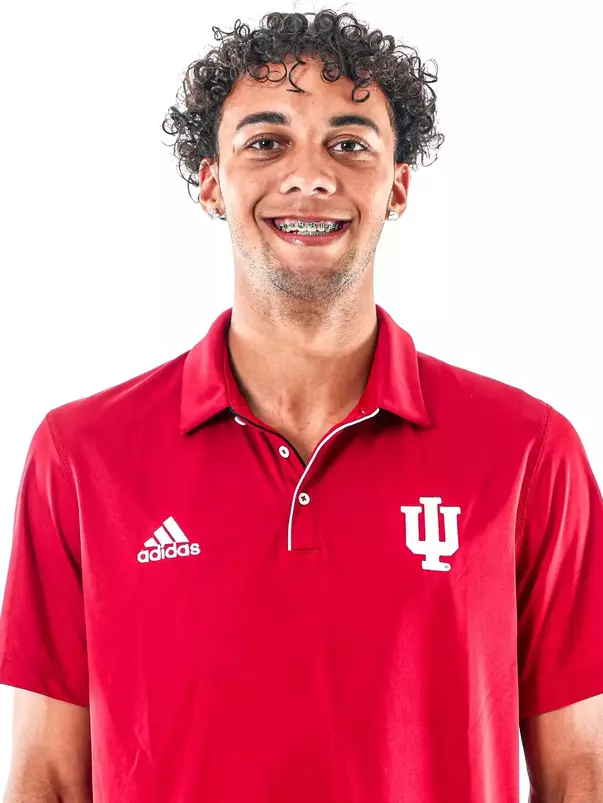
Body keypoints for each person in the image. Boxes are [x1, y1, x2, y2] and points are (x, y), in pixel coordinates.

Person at [1, 8, 602, 803]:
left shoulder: (528, 450)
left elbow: (578, 770)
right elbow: (45, 775)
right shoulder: (80, 455)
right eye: (266, 141)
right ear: (211, 181)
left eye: (348, 143)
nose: (310, 175)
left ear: (397, 184)